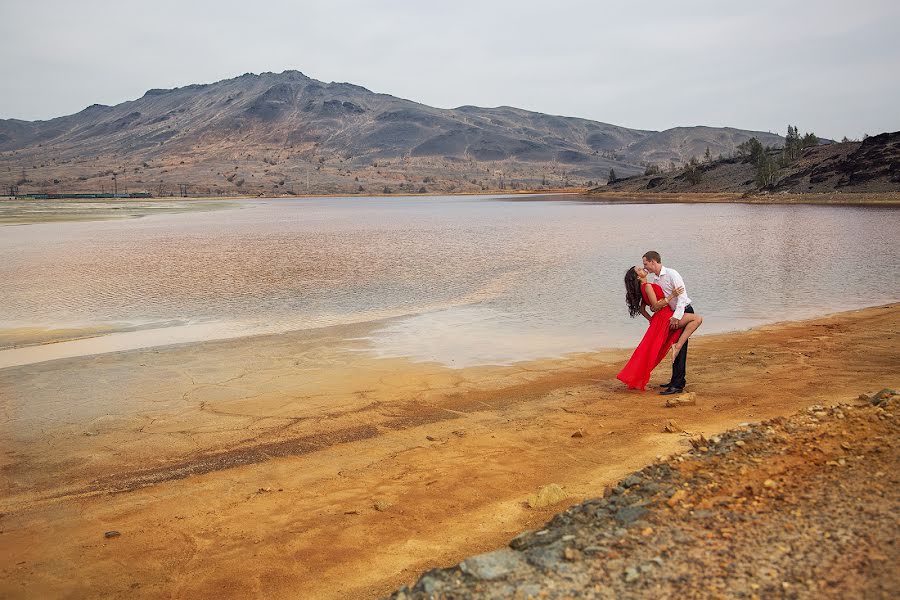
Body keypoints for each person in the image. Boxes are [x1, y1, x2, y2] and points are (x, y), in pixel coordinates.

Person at [641, 251, 702, 394]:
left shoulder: (672, 274)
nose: (645, 268)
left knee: (680, 349)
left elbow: (682, 296)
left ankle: (677, 385)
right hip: (672, 314)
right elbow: (663, 300)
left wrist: (677, 316)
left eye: (645, 264)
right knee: (673, 345)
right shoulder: (655, 280)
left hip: (684, 311)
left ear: (653, 262)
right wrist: (654, 306)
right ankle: (676, 380)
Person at [616, 266, 684, 390]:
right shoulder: (647, 286)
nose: (643, 268)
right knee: (695, 320)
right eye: (640, 269)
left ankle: (675, 377)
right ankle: (678, 349)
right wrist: (672, 295)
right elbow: (656, 306)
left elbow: (643, 309)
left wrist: (651, 319)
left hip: (660, 318)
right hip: (664, 316)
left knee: (650, 348)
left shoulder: (645, 287)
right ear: (638, 276)